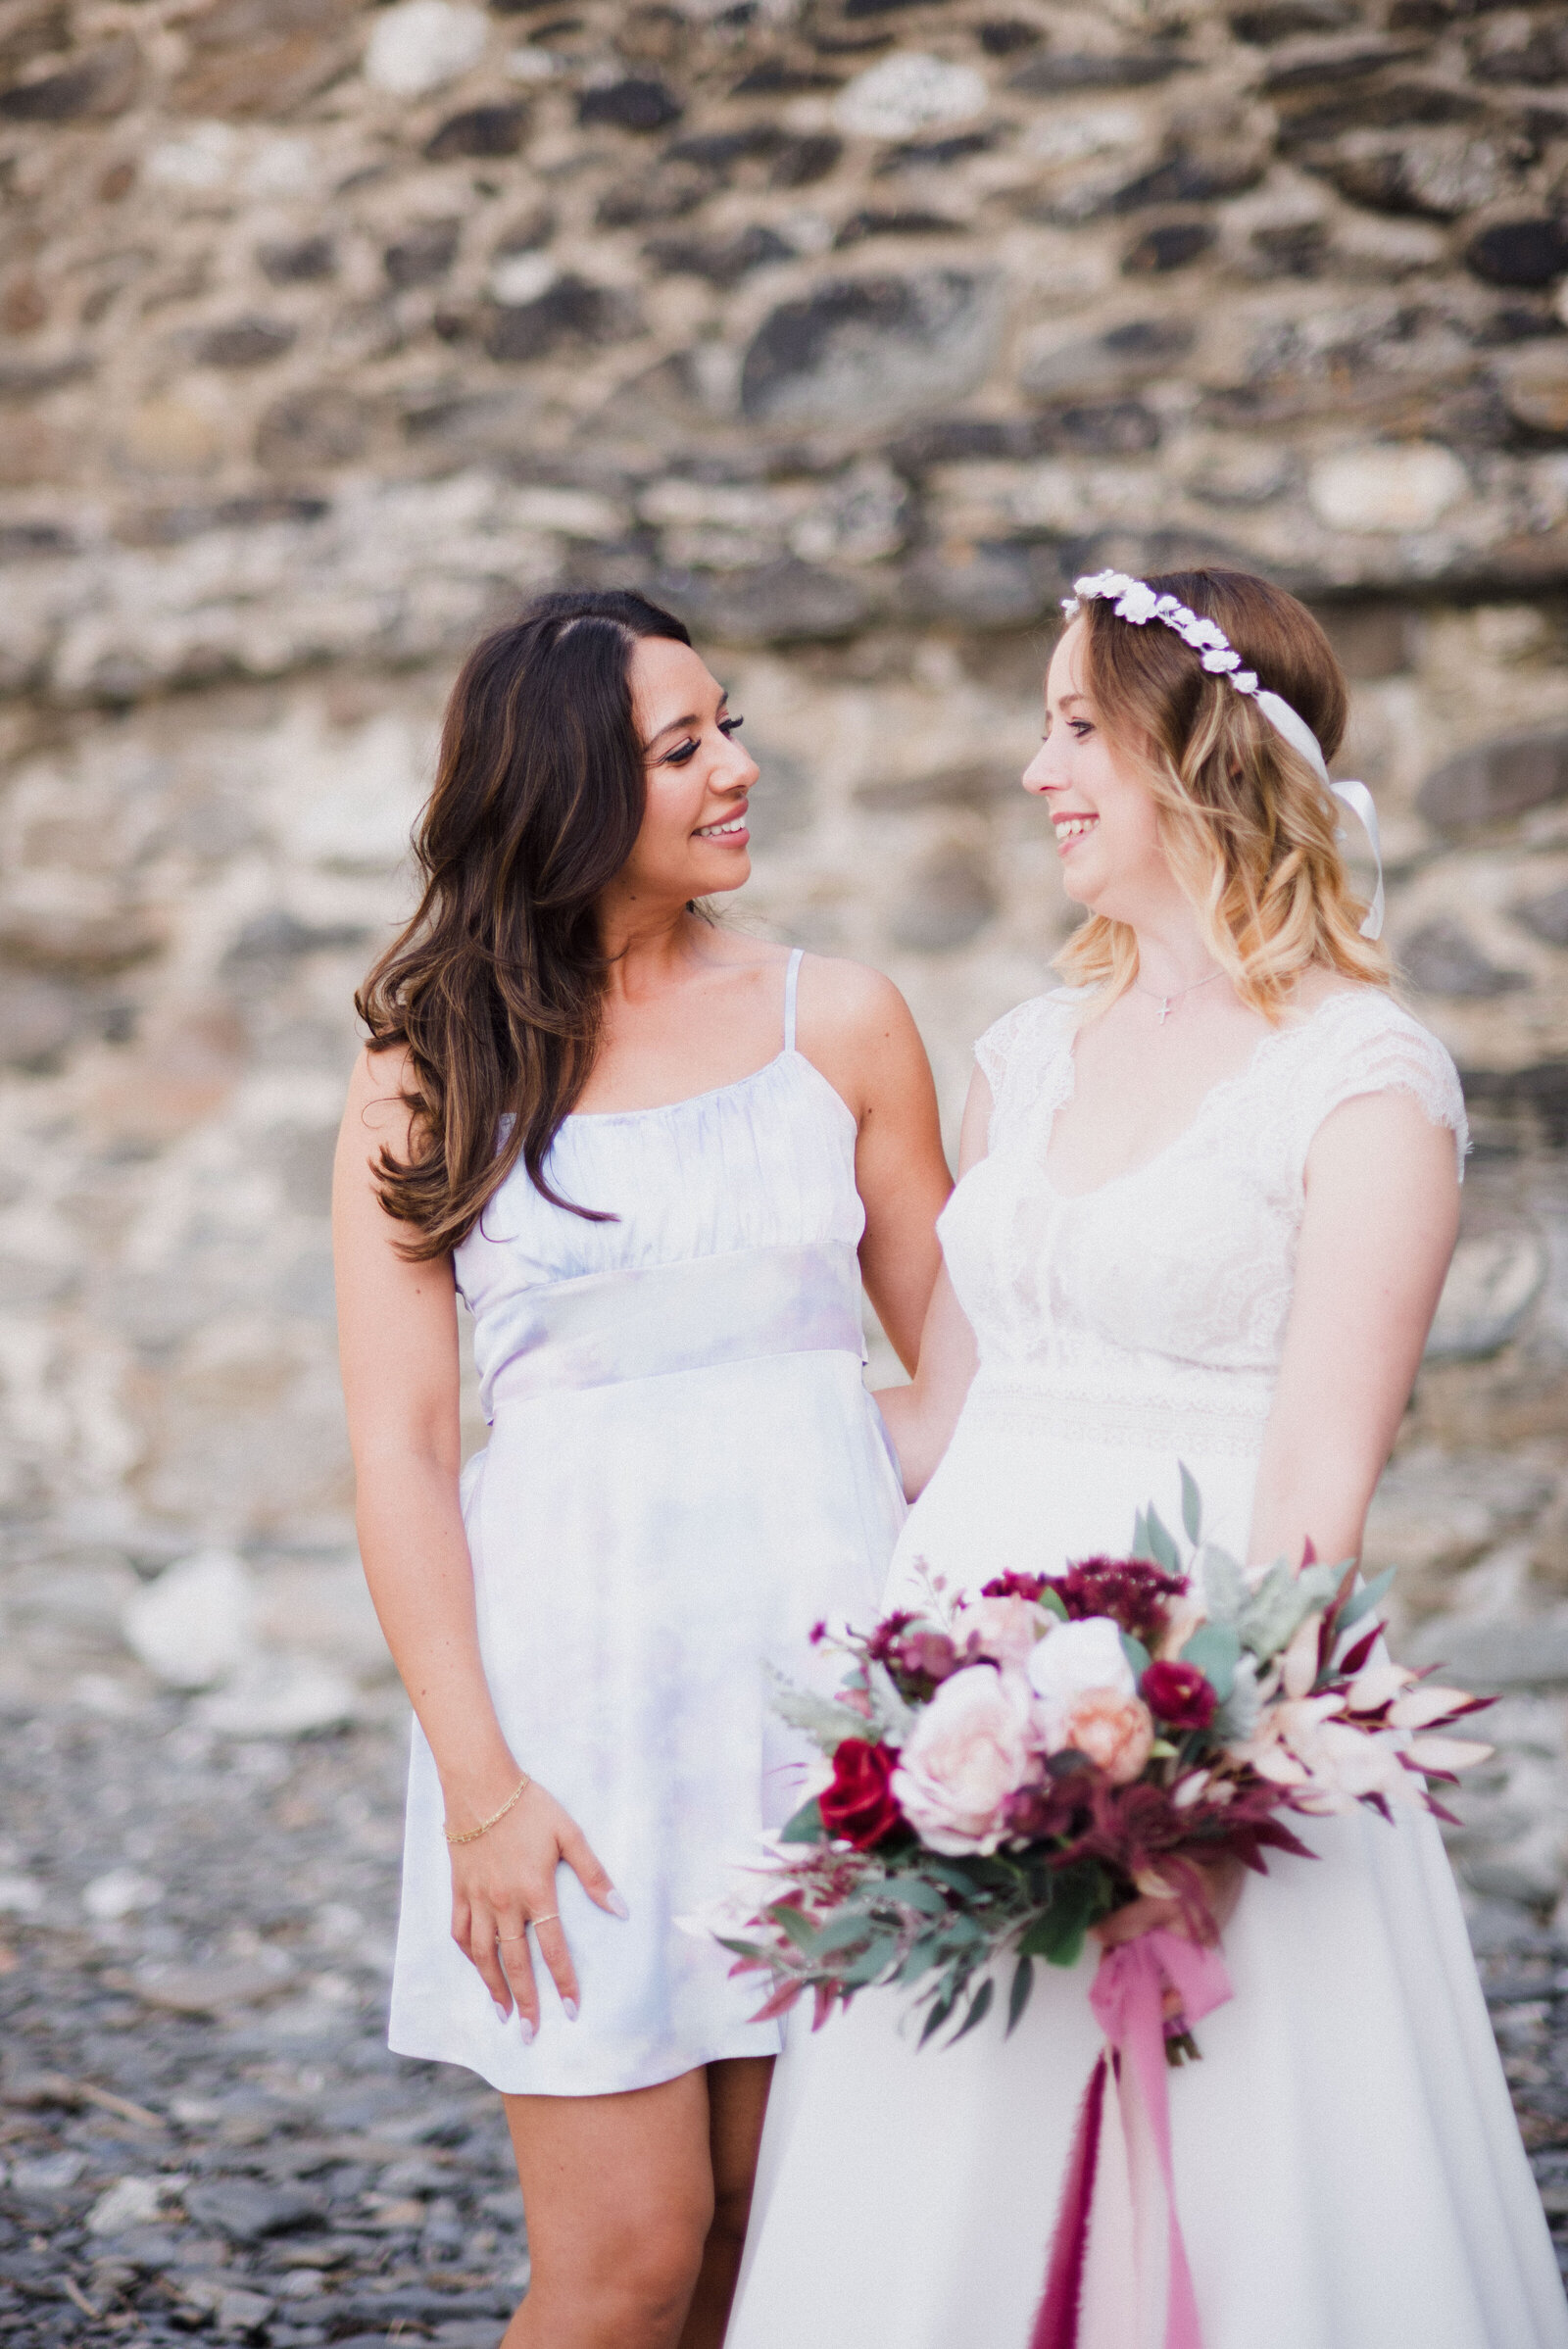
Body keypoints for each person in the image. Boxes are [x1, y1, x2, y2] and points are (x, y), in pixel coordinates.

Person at [727, 568, 1568, 2349]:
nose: (1039, 766)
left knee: (1227, 2184)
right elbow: (946, 1407)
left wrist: (1176, 1771)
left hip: (1195, 1704)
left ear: (1198, 755)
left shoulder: (1364, 1080)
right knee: (934, 2158)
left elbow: (1317, 1498)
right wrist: (670, 1431)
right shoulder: (1027, 1057)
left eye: (1077, 724)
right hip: (951, 1692)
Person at [330, 588, 950, 2349]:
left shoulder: (844, 1023)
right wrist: (480, 1788)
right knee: (626, 2265)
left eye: (726, 725)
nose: (738, 769)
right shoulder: (426, 1070)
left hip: (827, 1720)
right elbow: (401, 1448)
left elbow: (973, 1372)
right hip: (570, 1731)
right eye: (685, 750)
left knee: (769, 2239)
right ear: (568, 792)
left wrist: (821, 1456)